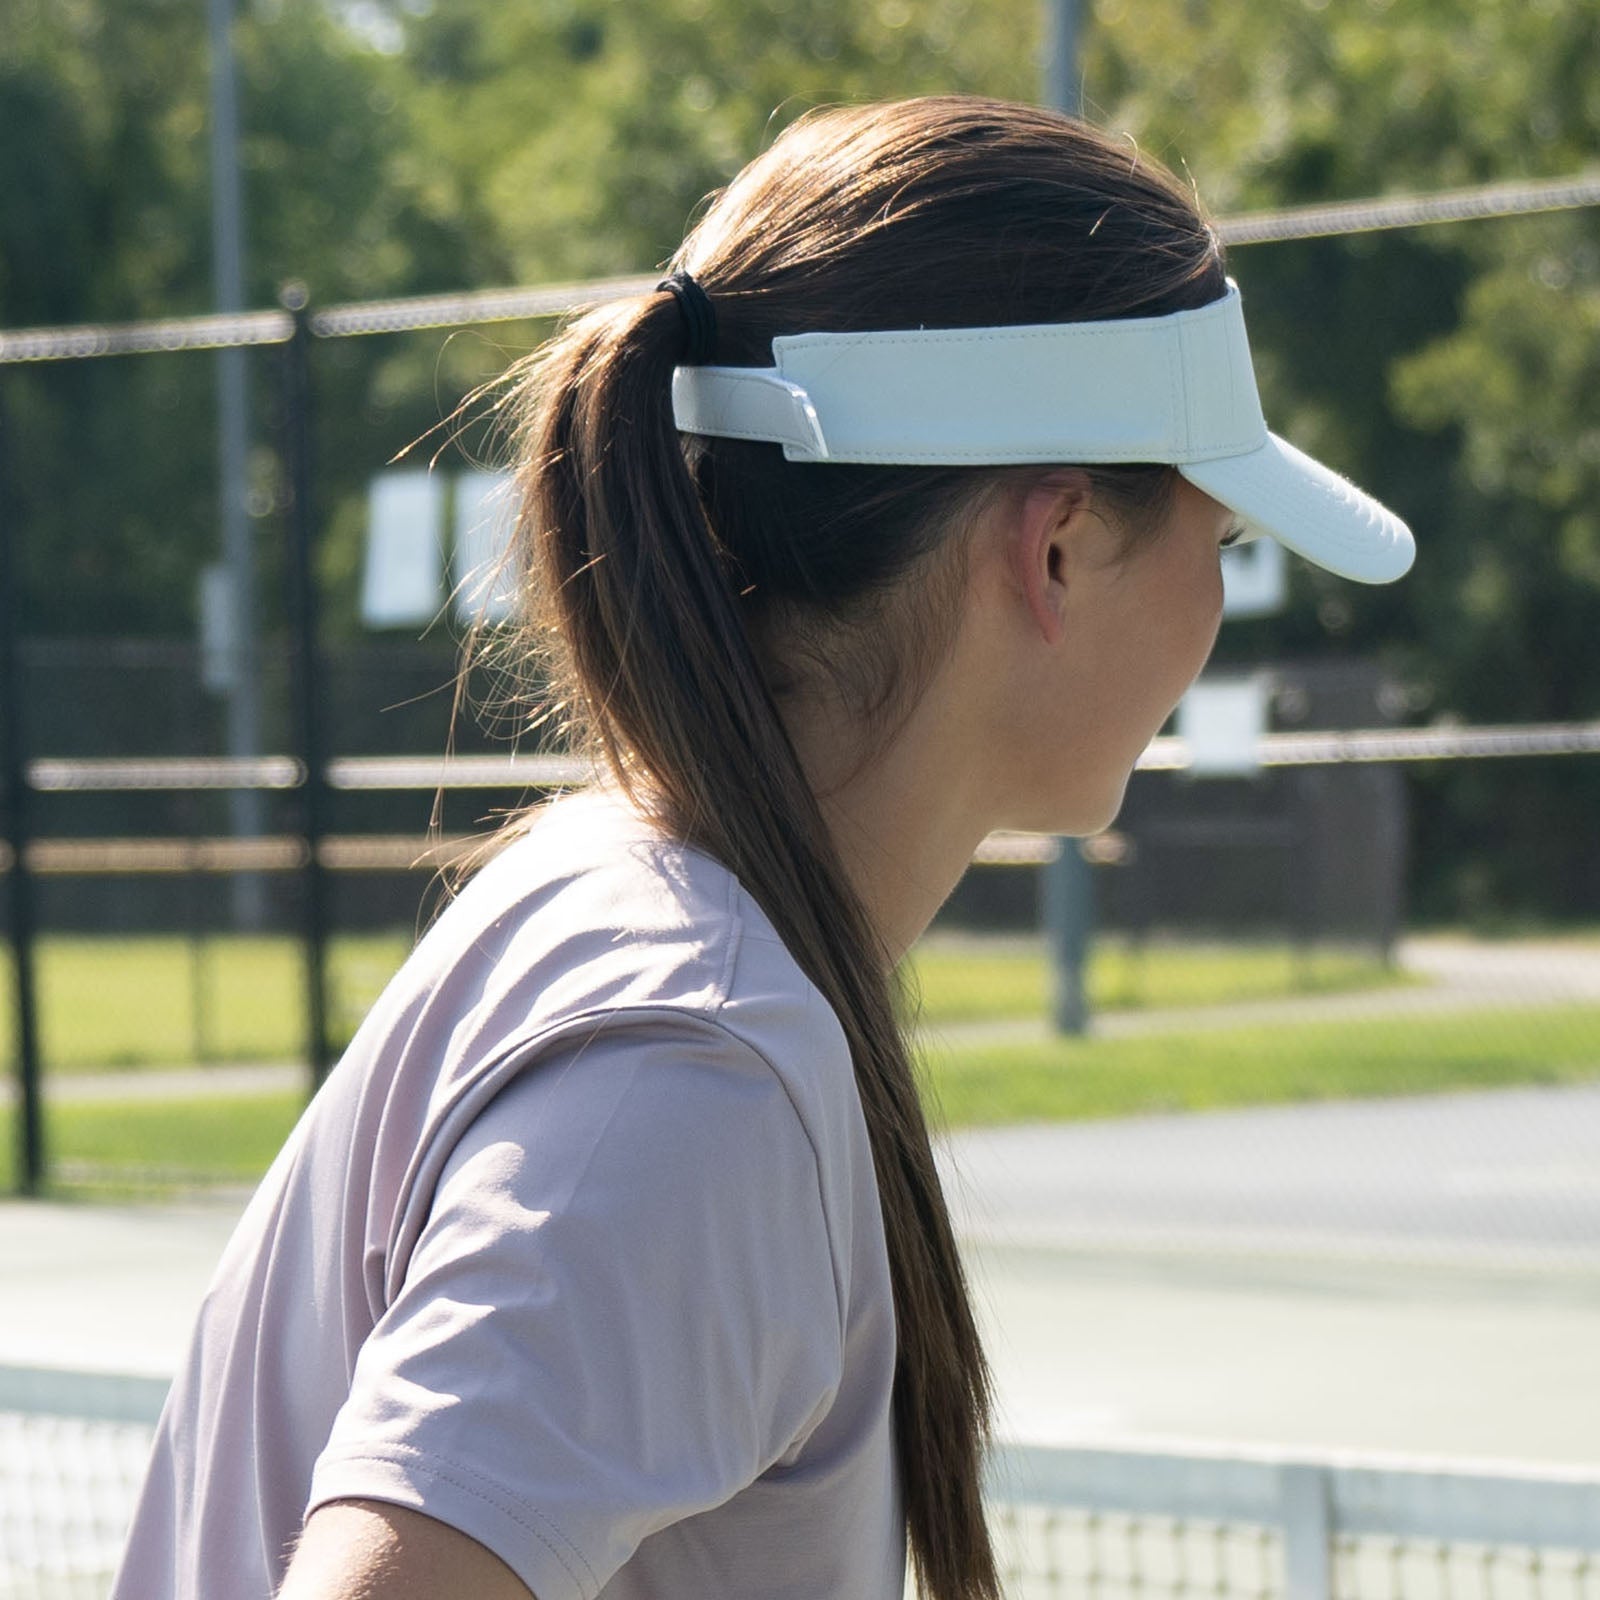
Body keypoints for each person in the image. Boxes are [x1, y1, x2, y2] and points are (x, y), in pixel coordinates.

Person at [112, 94, 1412, 1600]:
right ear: (1056, 548)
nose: (1219, 602)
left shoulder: (635, 908)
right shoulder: (697, 1072)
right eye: (1221, 538)